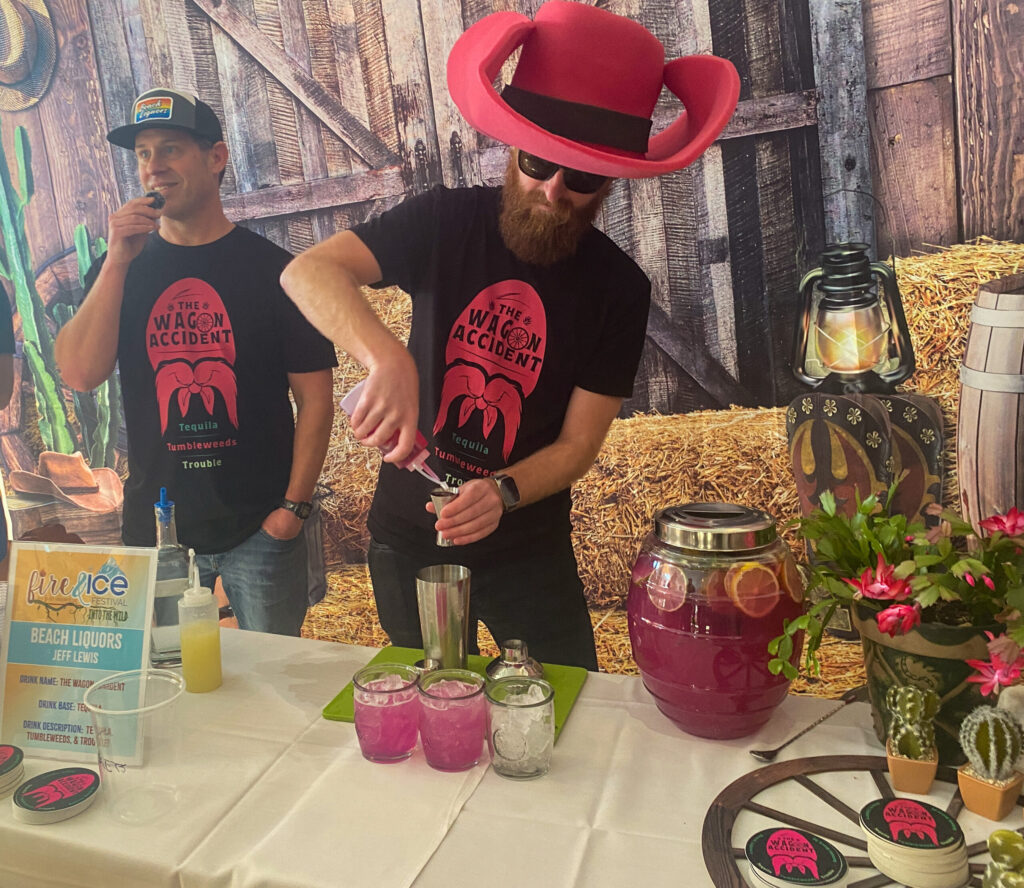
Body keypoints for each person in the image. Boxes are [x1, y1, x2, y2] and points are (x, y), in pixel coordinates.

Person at [281, 2, 739, 667]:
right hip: (410, 535)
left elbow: (579, 443)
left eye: (579, 176)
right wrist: (386, 358)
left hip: (528, 547)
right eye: (536, 161)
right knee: (439, 711)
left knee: (566, 708)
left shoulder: (618, 289)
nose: (552, 190)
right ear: (511, 148)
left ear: (609, 181)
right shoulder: (446, 220)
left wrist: (502, 492)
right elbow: (308, 272)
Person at [55, 87, 337, 635]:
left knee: (272, 687)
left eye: (171, 149)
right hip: (157, 530)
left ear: (216, 157)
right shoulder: (120, 269)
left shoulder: (276, 271)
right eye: (142, 154)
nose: (153, 168)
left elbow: (317, 399)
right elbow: (79, 374)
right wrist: (115, 261)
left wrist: (292, 512)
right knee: (168, 686)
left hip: (259, 527)